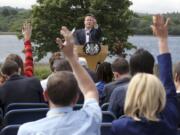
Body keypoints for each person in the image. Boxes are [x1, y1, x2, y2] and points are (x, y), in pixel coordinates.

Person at [18, 26, 102, 135]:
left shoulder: (27, 131)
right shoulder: (91, 119)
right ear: (76, 97)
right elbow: (90, 90)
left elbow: (90, 90)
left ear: (45, 95)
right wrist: (71, 57)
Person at [110, 15, 178, 135]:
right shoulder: (169, 118)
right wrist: (162, 40)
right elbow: (168, 84)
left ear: (131, 93)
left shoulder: (119, 127)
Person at [108, 48, 155, 117]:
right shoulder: (161, 93)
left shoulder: (119, 92)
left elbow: (110, 118)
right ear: (152, 69)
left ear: (131, 70)